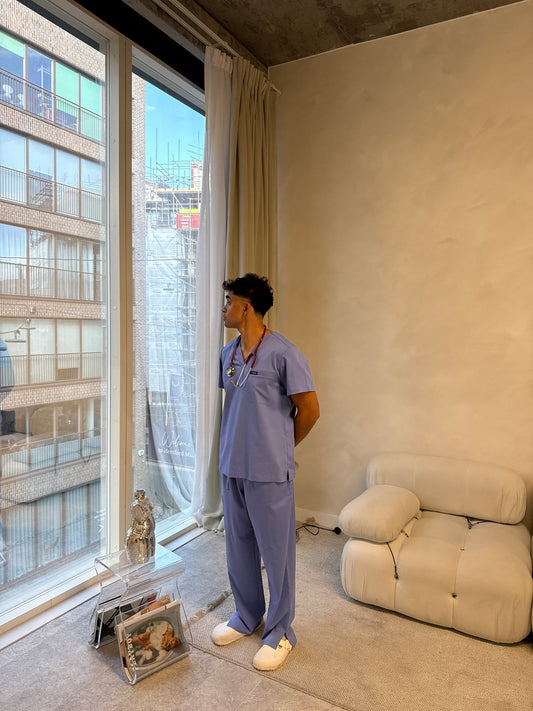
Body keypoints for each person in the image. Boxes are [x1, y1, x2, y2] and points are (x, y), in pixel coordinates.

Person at [211, 273, 320, 671]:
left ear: (246, 307)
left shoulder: (283, 354)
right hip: (232, 467)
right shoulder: (228, 354)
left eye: (229, 301)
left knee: (277, 555)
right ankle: (247, 615)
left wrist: (281, 446)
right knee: (238, 547)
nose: (224, 308)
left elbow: (310, 411)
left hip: (270, 471)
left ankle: (280, 632)